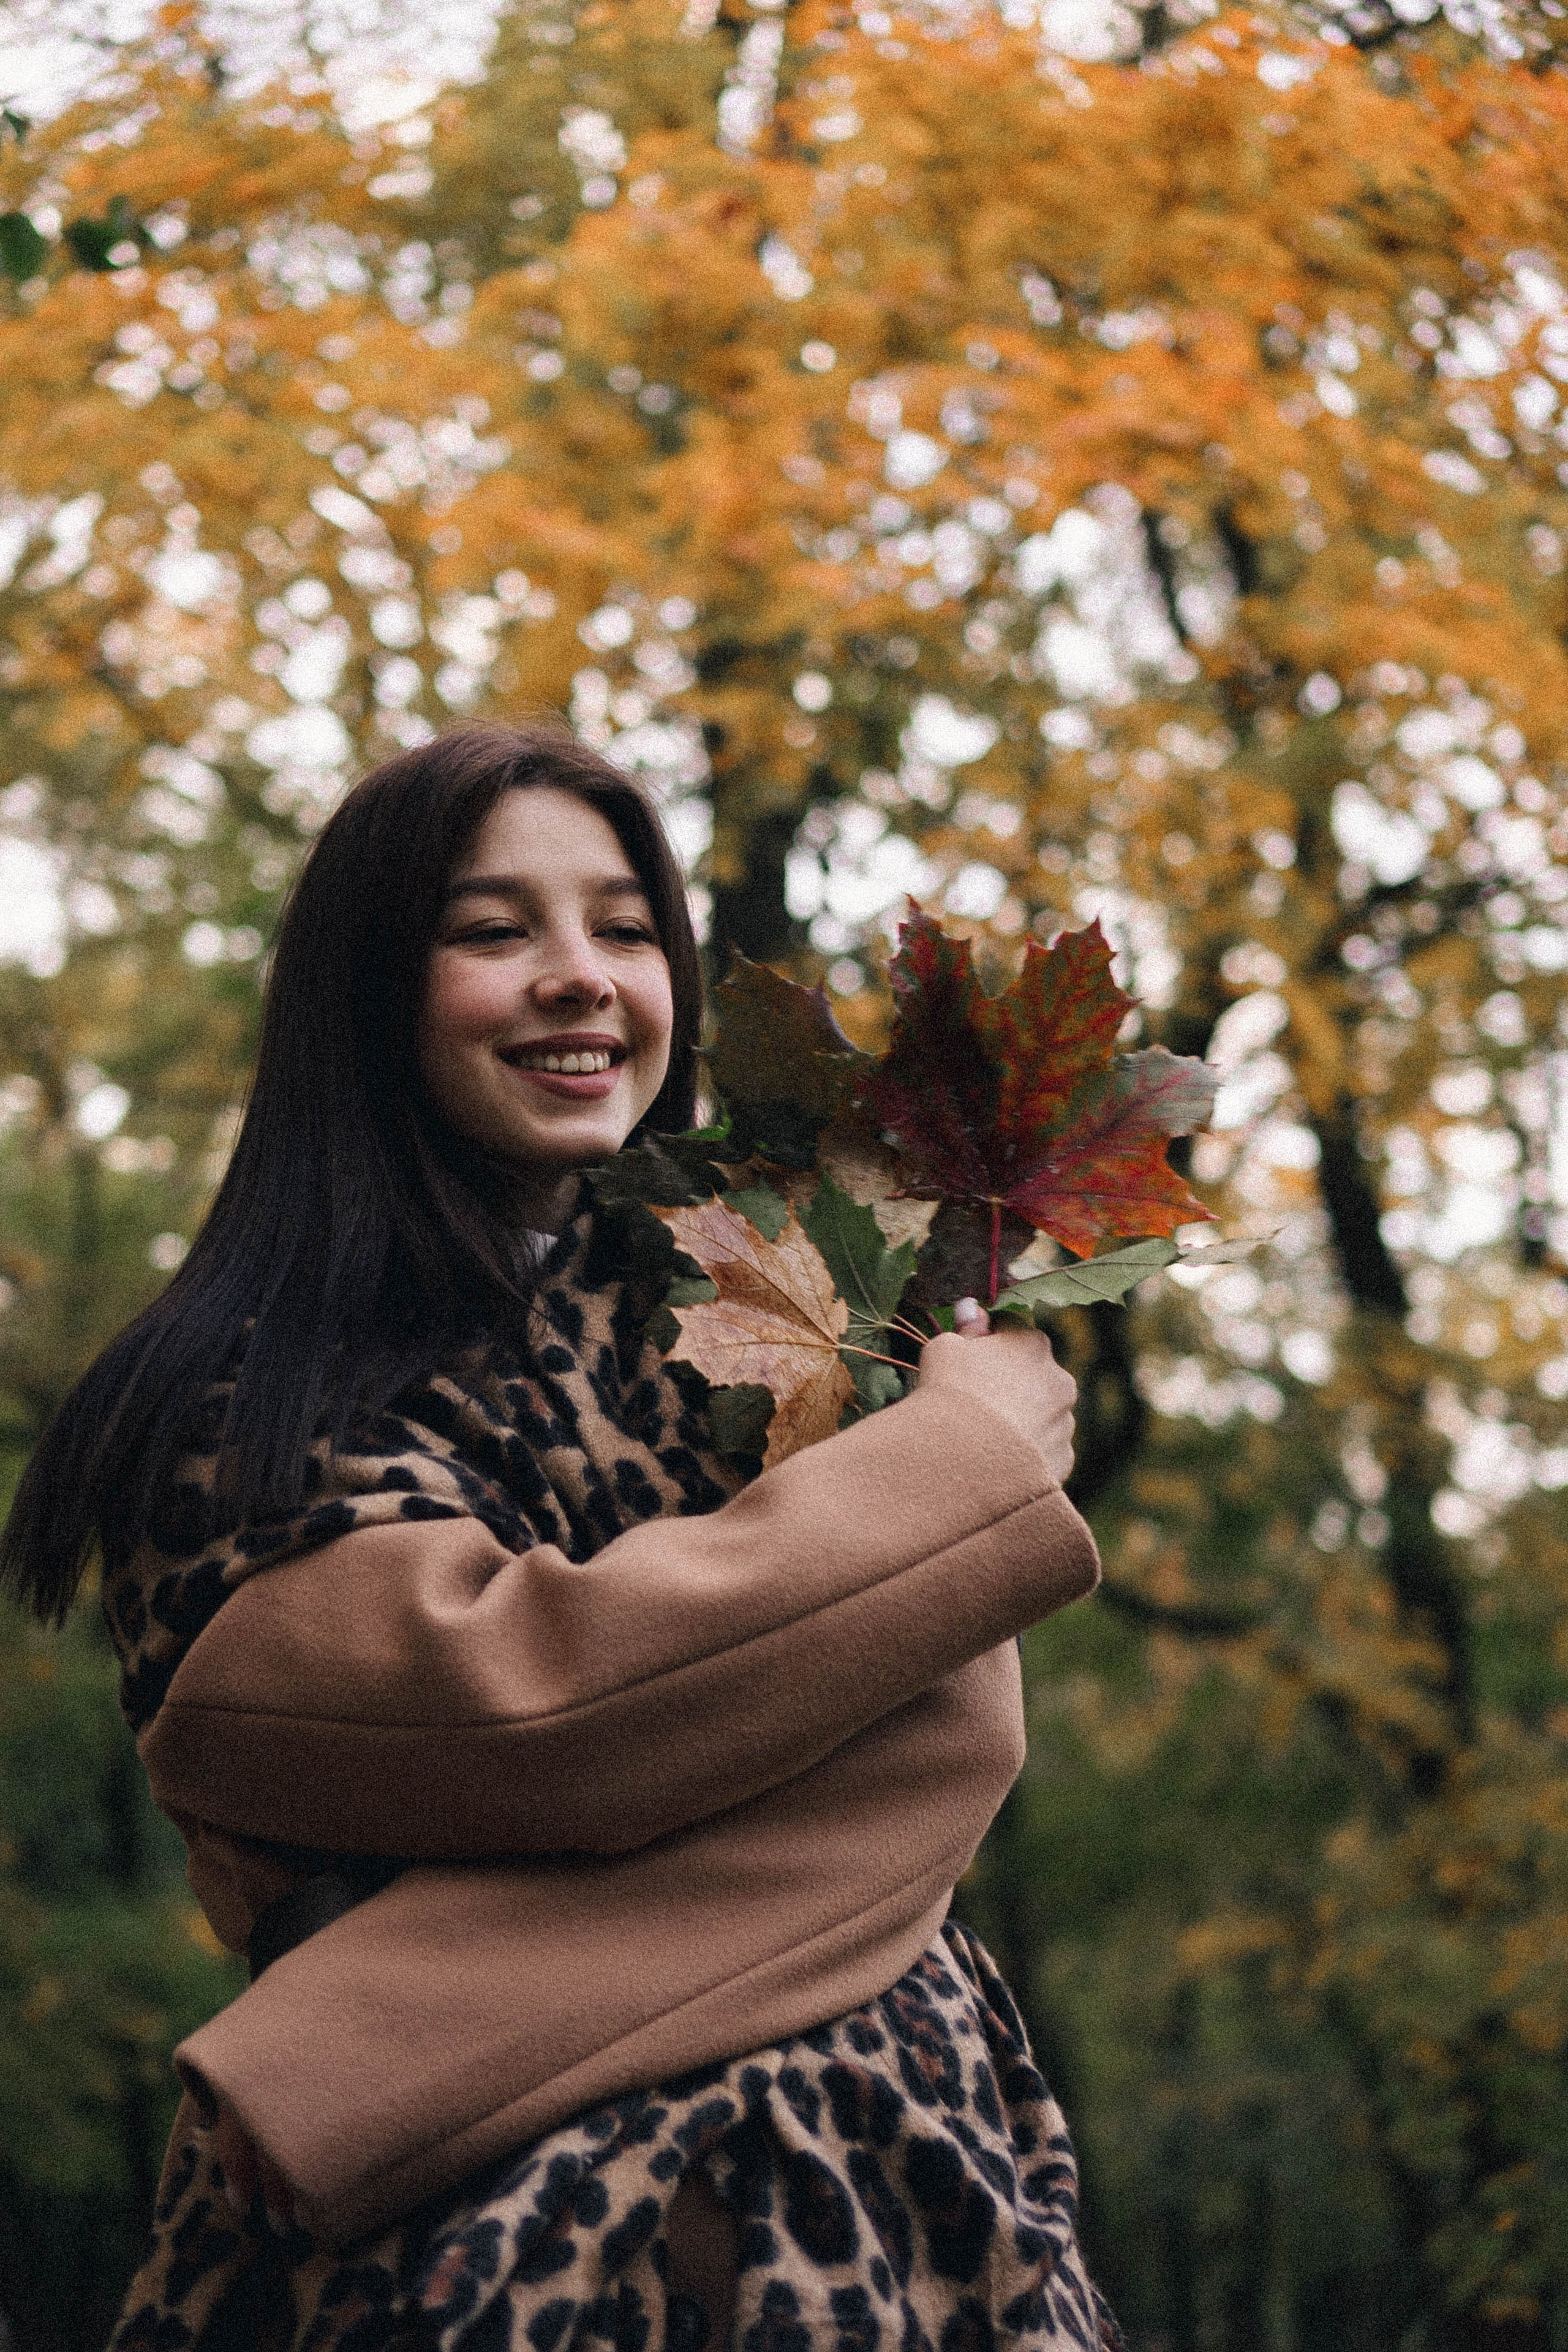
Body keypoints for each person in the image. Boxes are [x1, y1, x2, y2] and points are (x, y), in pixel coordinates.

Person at [1, 722, 1121, 2352]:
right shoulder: (241, 1397)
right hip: (481, 2253)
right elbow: (536, 1721)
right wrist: (963, 1480)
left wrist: (362, 2038)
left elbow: (955, 1736)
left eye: (626, 927)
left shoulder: (763, 1315)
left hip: (911, 2215)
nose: (582, 976)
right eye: (492, 929)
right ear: (368, 994)